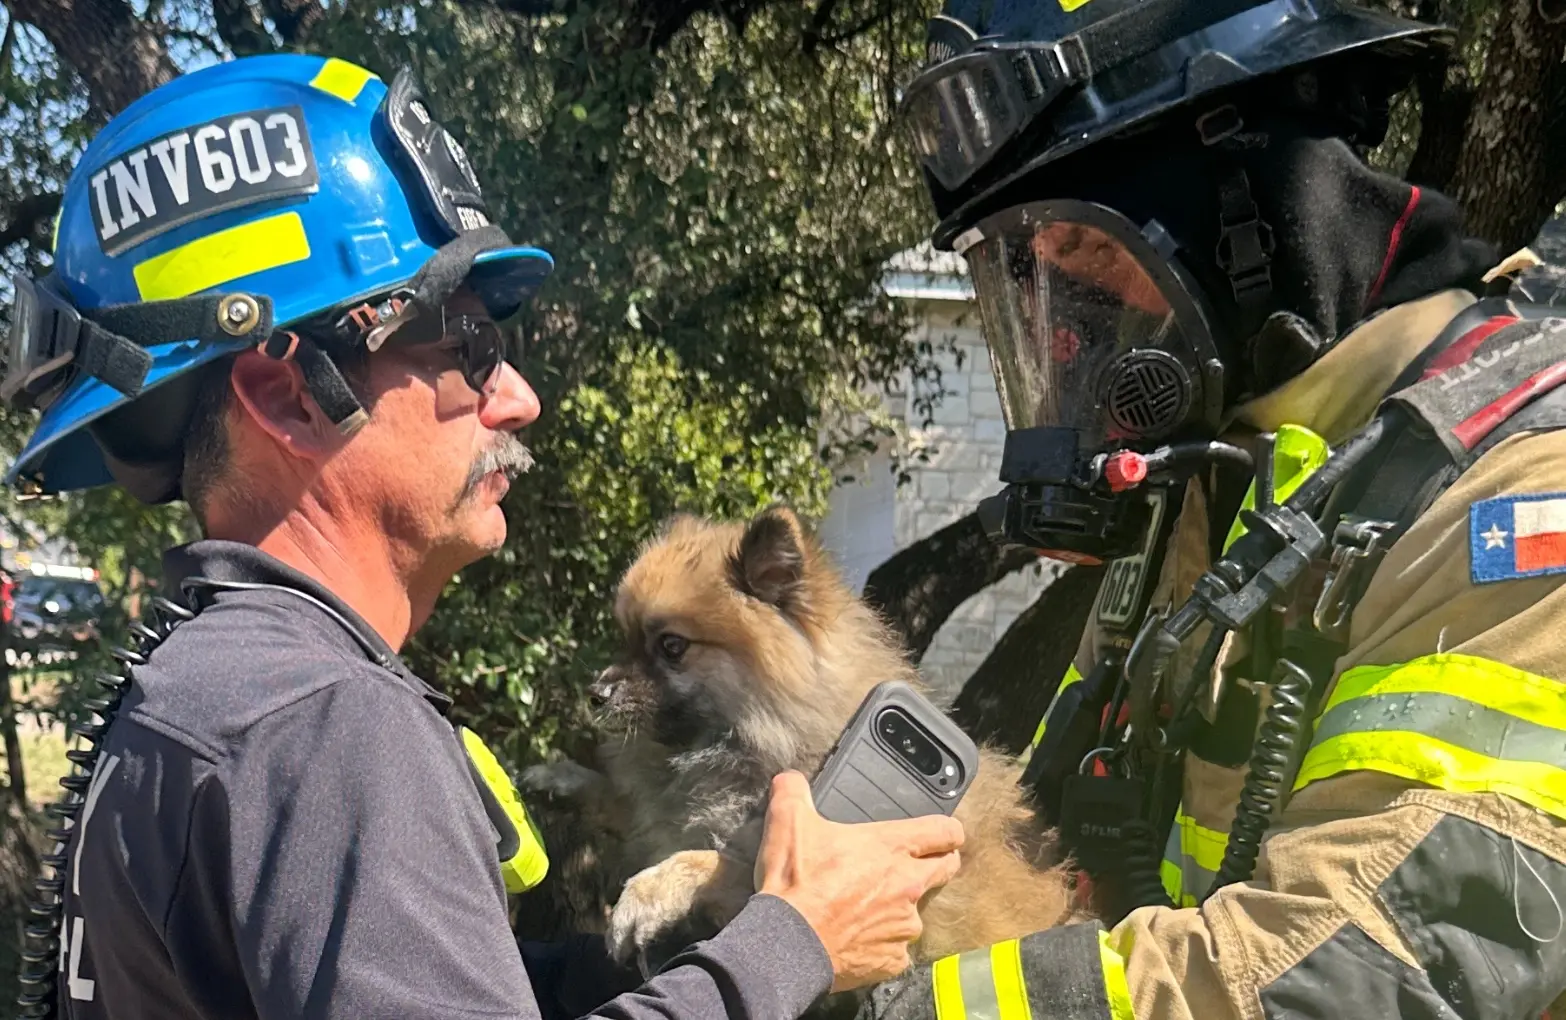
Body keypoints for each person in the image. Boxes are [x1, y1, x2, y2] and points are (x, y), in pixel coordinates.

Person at [3, 53, 966, 1020]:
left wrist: (656, 962)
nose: (519, 397)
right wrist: (791, 943)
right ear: (287, 394)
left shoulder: (204, 690)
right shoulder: (325, 724)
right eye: (466, 348)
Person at [859, 2, 1566, 1018]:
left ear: (1252, 200)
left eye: (1088, 256)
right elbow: (1065, 829)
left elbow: (1365, 970)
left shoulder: (1524, 491)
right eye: (1035, 279)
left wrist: (918, 1009)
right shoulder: (1228, 485)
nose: (1073, 342)